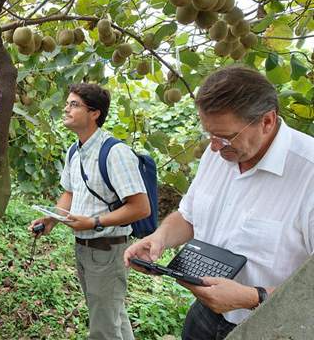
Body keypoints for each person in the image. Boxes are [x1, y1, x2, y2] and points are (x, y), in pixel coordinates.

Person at [124, 65, 314, 339]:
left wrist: (252, 296)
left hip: (271, 326)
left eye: (225, 136)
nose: (214, 146)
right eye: (209, 134)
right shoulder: (222, 152)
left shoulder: (308, 174)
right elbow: (189, 215)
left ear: (267, 121)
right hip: (204, 315)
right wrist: (160, 238)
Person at [29, 83, 151, 340]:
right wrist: (52, 219)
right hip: (84, 248)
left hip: (107, 250)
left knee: (102, 329)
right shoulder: (76, 150)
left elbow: (141, 207)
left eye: (74, 104)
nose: (66, 108)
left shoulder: (115, 153)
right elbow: (70, 193)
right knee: (111, 315)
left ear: (94, 113)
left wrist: (94, 222)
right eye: (68, 103)